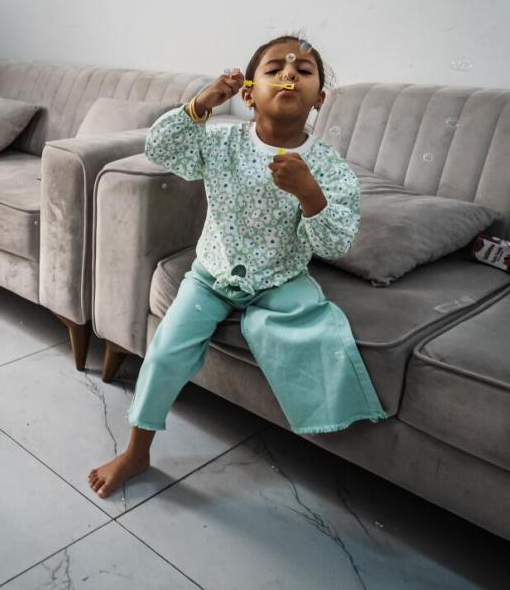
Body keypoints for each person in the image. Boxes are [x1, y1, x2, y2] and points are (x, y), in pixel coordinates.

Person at [88, 36, 386, 499]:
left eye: (304, 71)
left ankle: (337, 425)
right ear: (248, 92)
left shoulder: (326, 166)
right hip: (212, 274)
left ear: (319, 99)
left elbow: (335, 242)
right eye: (275, 69)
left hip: (282, 278)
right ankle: (136, 450)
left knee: (321, 333)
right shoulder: (222, 141)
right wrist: (205, 100)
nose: (290, 74)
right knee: (166, 348)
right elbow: (161, 148)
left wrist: (310, 193)